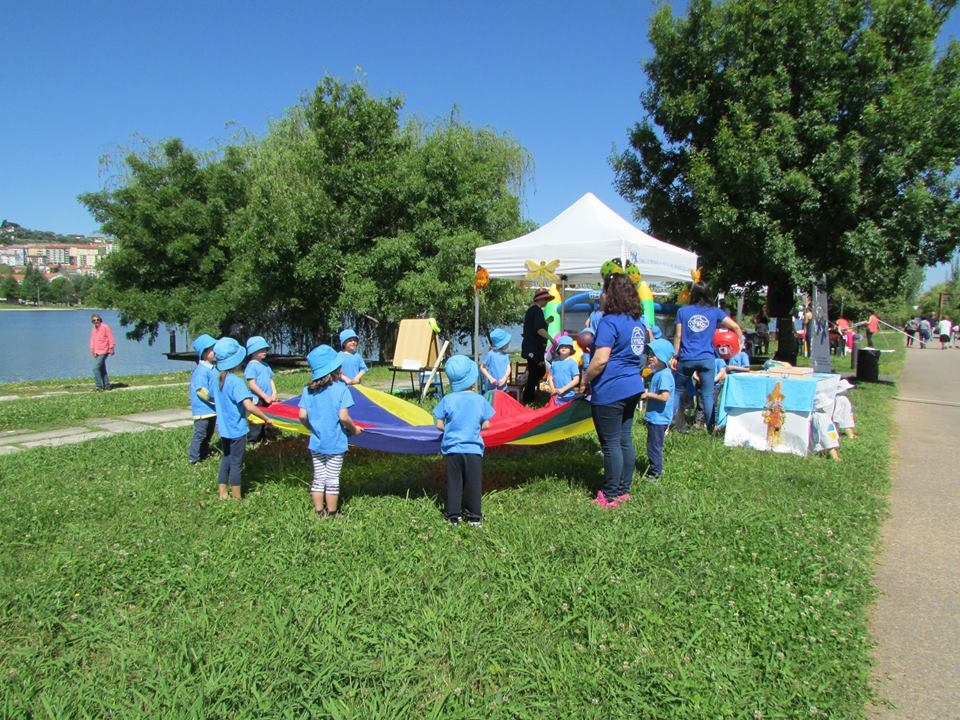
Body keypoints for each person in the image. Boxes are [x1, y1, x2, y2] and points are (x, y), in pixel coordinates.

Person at [581, 273, 649, 508]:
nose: (602, 295)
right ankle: (623, 490)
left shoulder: (609, 321)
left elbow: (600, 360)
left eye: (604, 290)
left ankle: (609, 495)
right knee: (624, 439)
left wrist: (585, 379)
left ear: (610, 295)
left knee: (610, 444)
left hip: (611, 388)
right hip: (632, 386)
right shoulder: (637, 323)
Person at [299, 345, 363, 518]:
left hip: (316, 442)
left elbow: (302, 415)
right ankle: (333, 513)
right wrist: (354, 429)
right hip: (335, 443)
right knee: (332, 479)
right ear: (335, 370)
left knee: (319, 477)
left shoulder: (307, 390)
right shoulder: (341, 389)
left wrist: (311, 428)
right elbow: (343, 417)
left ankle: (320, 512)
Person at [432, 355, 495, 526]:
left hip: (453, 450)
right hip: (473, 450)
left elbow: (439, 425)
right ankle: (474, 517)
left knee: (454, 483)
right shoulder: (480, 400)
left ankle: (453, 516)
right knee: (474, 483)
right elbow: (487, 425)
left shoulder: (447, 400)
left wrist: (451, 429)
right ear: (473, 380)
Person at [673, 282, 743, 434]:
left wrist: (675, 355)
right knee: (708, 394)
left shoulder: (682, 311)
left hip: (686, 357)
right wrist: (740, 344)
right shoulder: (715, 312)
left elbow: (678, 335)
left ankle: (669, 423)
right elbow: (736, 327)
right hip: (706, 358)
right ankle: (711, 428)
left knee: (677, 390)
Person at [212, 337, 273, 500]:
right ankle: (237, 497)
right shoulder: (236, 382)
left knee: (226, 459)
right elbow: (249, 406)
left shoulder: (217, 379)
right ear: (236, 360)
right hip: (237, 429)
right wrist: (265, 418)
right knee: (237, 463)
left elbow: (214, 397)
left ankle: (222, 493)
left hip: (223, 428)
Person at [641, 339, 676, 479]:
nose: (650, 357)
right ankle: (655, 469)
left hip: (659, 419)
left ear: (662, 357)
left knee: (654, 447)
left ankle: (656, 473)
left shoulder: (665, 375)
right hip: (655, 417)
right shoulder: (658, 373)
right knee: (652, 445)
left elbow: (664, 397)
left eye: (653, 354)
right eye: (649, 354)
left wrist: (648, 394)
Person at [521, 288, 558, 404]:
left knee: (536, 371)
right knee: (537, 371)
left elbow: (535, 326)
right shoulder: (536, 311)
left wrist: (546, 322)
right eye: (545, 299)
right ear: (540, 299)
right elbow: (538, 329)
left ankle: (530, 395)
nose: (546, 301)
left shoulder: (533, 311)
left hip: (532, 348)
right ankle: (528, 397)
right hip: (533, 349)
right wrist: (551, 339)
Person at [188, 334, 218, 464]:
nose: (216, 351)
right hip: (202, 410)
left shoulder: (213, 368)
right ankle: (194, 458)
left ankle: (204, 454)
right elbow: (201, 391)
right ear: (205, 353)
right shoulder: (201, 371)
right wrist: (214, 399)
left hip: (212, 409)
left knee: (209, 433)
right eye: (213, 349)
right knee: (200, 434)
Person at [245, 336, 277, 443]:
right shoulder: (251, 366)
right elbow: (252, 384)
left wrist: (274, 393)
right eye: (261, 350)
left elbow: (270, 380)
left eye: (265, 350)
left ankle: (266, 438)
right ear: (253, 352)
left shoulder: (266, 365)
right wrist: (264, 396)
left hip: (268, 398)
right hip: (257, 398)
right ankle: (253, 441)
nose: (265, 352)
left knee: (268, 418)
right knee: (257, 421)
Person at [547, 336, 580, 405]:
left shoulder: (573, 363)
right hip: (556, 394)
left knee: (566, 414)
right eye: (561, 346)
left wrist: (564, 389)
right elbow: (550, 377)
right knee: (555, 413)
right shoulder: (554, 362)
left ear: (571, 349)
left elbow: (576, 380)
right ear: (558, 348)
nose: (564, 348)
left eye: (567, 346)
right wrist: (552, 388)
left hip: (568, 396)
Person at [89, 313, 116, 391]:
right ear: (92, 322)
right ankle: (107, 385)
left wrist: (111, 348)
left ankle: (99, 386)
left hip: (104, 350)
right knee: (102, 368)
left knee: (95, 368)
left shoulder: (105, 327)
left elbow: (111, 337)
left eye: (98, 320)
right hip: (97, 351)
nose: (96, 321)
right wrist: (92, 349)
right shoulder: (93, 329)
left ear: (100, 320)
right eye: (94, 320)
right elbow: (92, 340)